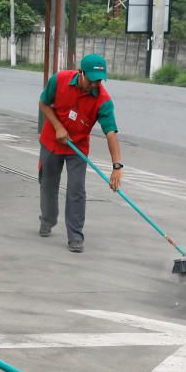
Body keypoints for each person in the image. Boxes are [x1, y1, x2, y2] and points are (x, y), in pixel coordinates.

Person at [37, 54, 123, 253]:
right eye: (91, 79)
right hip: (52, 141)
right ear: (80, 73)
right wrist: (58, 126)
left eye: (99, 80)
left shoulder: (103, 100)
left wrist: (117, 166)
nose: (95, 84)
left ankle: (75, 236)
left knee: (76, 189)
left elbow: (111, 132)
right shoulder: (59, 80)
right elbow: (43, 104)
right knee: (48, 184)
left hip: (78, 146)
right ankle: (48, 219)